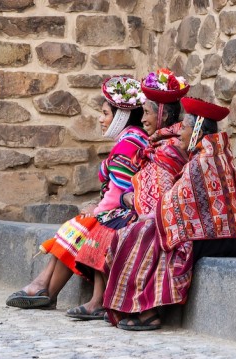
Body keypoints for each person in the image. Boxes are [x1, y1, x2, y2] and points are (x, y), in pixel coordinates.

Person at [103, 97, 236, 331]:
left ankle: (148, 311)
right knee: (143, 231)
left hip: (223, 239)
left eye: (184, 128)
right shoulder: (208, 154)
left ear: (196, 131)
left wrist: (152, 217)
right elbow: (182, 202)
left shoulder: (203, 161)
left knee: (159, 242)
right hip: (216, 234)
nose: (180, 133)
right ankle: (132, 305)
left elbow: (177, 203)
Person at [5, 76, 149, 313]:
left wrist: (96, 210)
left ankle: (45, 289)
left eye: (105, 114)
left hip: (125, 212)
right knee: (77, 226)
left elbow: (121, 192)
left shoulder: (128, 145)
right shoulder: (133, 140)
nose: (101, 120)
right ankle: (43, 287)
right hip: (121, 208)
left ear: (121, 116)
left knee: (80, 227)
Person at [67, 69, 190, 319]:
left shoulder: (170, 145)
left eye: (147, 113)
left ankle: (133, 307)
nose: (143, 120)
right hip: (142, 209)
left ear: (163, 114)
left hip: (156, 216)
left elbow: (159, 191)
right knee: (104, 229)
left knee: (114, 231)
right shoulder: (155, 142)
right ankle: (99, 300)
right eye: (142, 112)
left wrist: (127, 200)